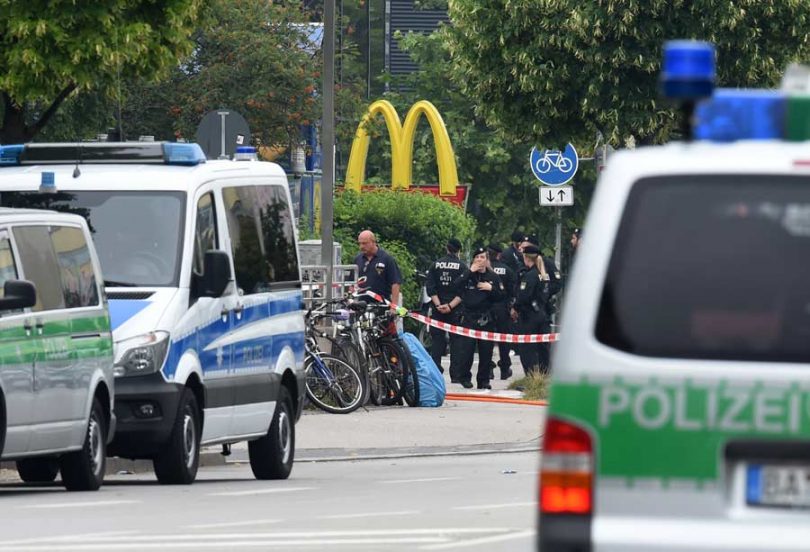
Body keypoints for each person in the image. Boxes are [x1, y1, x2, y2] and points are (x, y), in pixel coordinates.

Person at [453, 245, 503, 389]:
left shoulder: (493, 276)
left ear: (487, 260)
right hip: (469, 316)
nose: (480, 260)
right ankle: (464, 377)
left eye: (483, 257)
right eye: (477, 257)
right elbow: (455, 286)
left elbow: (501, 296)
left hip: (486, 318)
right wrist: (469, 272)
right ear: (473, 260)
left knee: (486, 352)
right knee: (466, 350)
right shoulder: (468, 274)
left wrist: (491, 288)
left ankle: (484, 380)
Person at [425, 238, 467, 376]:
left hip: (437, 309)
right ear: (458, 250)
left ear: (446, 248)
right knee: (456, 342)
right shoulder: (462, 267)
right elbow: (463, 291)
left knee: (437, 340)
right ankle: (455, 374)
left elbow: (430, 288)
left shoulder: (435, 265)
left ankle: (436, 371)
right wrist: (450, 306)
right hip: (455, 309)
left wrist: (438, 305)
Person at [519, 235, 561, 372]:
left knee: (533, 346)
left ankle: (538, 376)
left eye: (525, 248)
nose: (521, 249)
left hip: (534, 312)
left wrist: (543, 297)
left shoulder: (544, 266)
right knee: (542, 344)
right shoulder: (533, 269)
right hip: (540, 311)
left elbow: (557, 284)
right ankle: (542, 375)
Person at [511, 244, 551, 375]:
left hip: (529, 317)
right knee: (542, 347)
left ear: (526, 258)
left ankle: (531, 377)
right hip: (543, 314)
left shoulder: (530, 276)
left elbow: (523, 296)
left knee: (527, 347)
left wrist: (515, 308)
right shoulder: (544, 274)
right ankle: (544, 375)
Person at [487, 243, 515, 380]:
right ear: (499, 254)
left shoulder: (484, 269)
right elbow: (512, 292)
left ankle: (488, 368)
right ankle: (504, 369)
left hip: (486, 309)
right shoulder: (508, 270)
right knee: (504, 340)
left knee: (487, 340)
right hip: (503, 309)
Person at [354, 230, 402, 305]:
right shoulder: (357, 259)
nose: (361, 246)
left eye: (364, 243)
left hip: (381, 305)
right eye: (359, 243)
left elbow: (395, 283)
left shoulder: (386, 259)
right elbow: (351, 282)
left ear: (373, 242)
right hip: (360, 305)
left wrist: (394, 306)